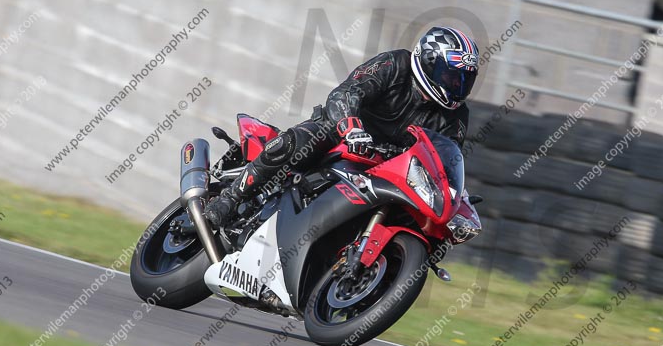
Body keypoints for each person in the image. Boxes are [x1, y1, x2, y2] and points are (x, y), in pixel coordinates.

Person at [204, 26, 480, 227]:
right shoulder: (395, 64)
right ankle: (229, 199)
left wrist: (456, 194)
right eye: (452, 76)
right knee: (296, 144)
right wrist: (350, 126)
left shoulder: (456, 115)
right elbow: (348, 92)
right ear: (429, 63)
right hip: (341, 134)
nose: (457, 86)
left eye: (464, 80)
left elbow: (445, 154)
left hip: (388, 168)